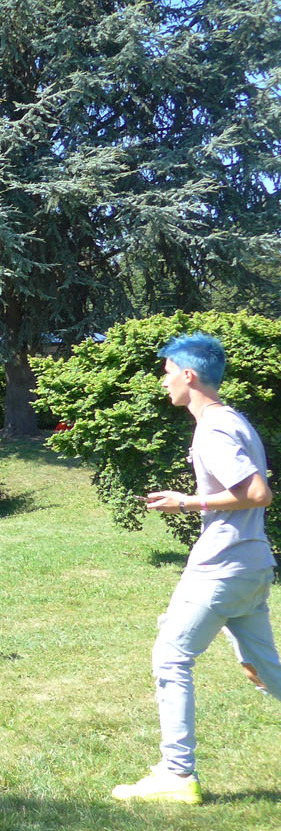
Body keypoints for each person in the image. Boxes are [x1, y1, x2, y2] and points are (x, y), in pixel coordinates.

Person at [112, 332, 279, 805]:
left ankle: (177, 773)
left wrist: (186, 502)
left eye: (167, 372)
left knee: (170, 656)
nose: (163, 382)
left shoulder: (215, 428)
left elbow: (257, 493)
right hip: (250, 564)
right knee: (266, 670)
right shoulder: (232, 419)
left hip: (222, 565)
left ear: (188, 375)